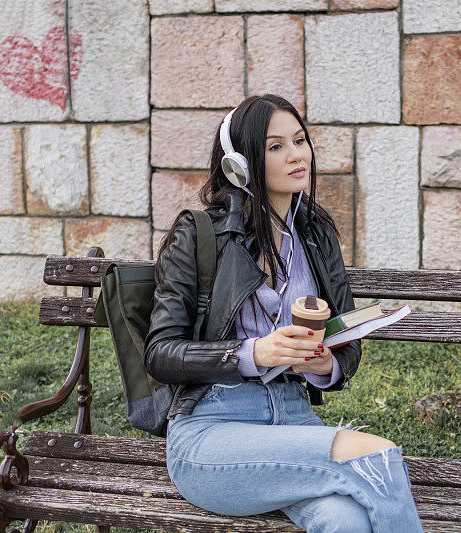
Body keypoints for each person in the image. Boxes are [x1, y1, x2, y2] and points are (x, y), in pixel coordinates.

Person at [144, 94, 423, 532]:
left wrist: (325, 361)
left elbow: (346, 342)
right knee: (375, 456)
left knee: (345, 521)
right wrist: (254, 352)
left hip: (293, 418)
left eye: (300, 140)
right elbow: (160, 353)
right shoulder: (198, 233)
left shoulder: (315, 232)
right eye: (276, 146)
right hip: (211, 429)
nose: (296, 155)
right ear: (240, 163)